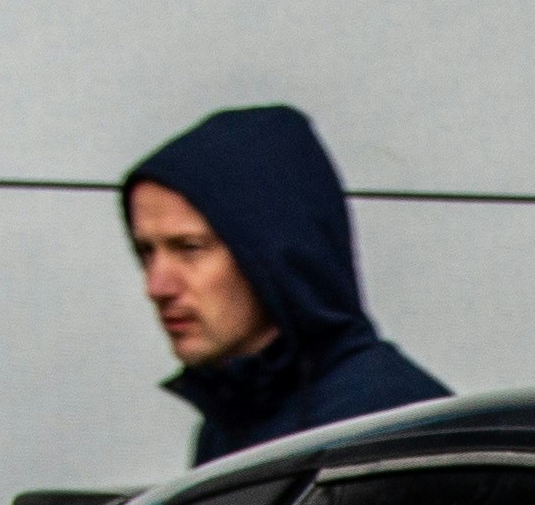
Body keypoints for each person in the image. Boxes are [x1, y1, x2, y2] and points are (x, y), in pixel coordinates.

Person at [122, 105, 446, 462]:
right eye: (145, 252)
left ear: (271, 254)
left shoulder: (387, 423)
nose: (157, 287)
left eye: (189, 248)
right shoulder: (229, 422)